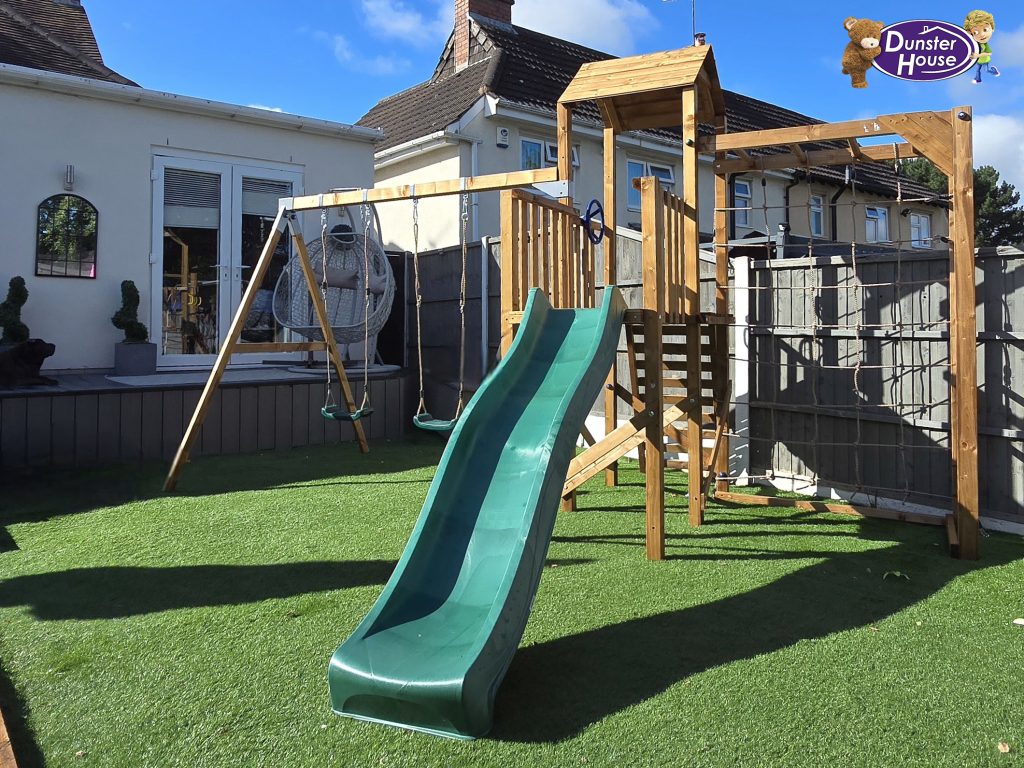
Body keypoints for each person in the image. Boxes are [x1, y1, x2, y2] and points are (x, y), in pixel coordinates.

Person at [964, 10, 1000, 84]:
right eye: (975, 32)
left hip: (985, 60)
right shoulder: (975, 43)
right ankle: (978, 79)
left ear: (992, 28)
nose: (982, 34)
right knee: (977, 70)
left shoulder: (985, 45)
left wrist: (978, 55)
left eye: (985, 30)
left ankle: (994, 71)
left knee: (986, 70)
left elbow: (989, 53)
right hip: (978, 61)